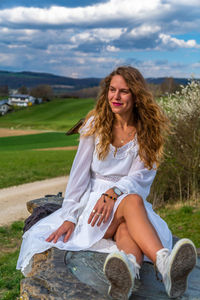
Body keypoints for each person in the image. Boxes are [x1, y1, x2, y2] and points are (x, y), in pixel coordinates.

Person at [17, 66, 197, 299]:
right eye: (112, 90)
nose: (116, 97)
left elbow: (140, 178)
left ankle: (127, 275)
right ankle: (164, 264)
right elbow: (79, 175)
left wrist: (114, 192)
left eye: (124, 91)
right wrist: (70, 215)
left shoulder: (146, 132)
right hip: (95, 209)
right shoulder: (95, 124)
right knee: (131, 203)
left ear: (136, 95)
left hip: (128, 206)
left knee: (127, 225)